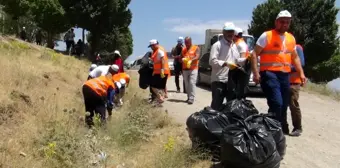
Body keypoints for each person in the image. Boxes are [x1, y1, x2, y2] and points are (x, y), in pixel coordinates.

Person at [250, 10, 306, 134]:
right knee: (277, 103)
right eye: (282, 22)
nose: (285, 24)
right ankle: (274, 129)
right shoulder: (267, 35)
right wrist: (256, 73)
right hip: (269, 74)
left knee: (284, 103)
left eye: (287, 22)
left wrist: (301, 73)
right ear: (276, 22)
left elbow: (295, 57)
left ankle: (279, 127)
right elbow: (254, 54)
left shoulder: (291, 38)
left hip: (284, 75)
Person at [209, 22, 239, 110]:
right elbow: (212, 61)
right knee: (216, 106)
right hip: (219, 80)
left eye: (232, 31)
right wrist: (225, 63)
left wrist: (246, 59)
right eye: (228, 31)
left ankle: (226, 123)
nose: (230, 34)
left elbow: (236, 60)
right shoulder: (217, 45)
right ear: (223, 32)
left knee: (230, 106)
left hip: (230, 80)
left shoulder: (234, 46)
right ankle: (212, 123)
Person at [227, 27, 251, 100]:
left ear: (235, 35)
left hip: (240, 71)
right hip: (240, 70)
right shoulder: (240, 43)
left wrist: (235, 63)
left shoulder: (240, 44)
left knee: (238, 92)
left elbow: (242, 59)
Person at [288, 44, 305, 136]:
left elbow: (301, 63)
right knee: (280, 105)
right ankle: (282, 127)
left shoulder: (297, 48)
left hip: (294, 82)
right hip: (282, 81)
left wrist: (284, 67)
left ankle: (298, 128)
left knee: (293, 104)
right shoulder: (280, 48)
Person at [148, 39, 170, 105]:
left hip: (161, 72)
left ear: (154, 45)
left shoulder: (159, 51)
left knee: (153, 86)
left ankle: (160, 98)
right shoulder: (155, 51)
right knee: (159, 87)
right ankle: (159, 99)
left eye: (151, 46)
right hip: (158, 72)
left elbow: (162, 60)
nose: (151, 48)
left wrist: (162, 70)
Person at [181, 37, 200, 104]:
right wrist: (183, 59)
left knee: (192, 83)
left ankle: (191, 98)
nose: (186, 44)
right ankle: (188, 97)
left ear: (191, 41)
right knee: (187, 84)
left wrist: (191, 60)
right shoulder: (184, 49)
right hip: (185, 69)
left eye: (187, 43)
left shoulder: (196, 48)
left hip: (193, 69)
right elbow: (181, 58)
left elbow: (197, 56)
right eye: (185, 43)